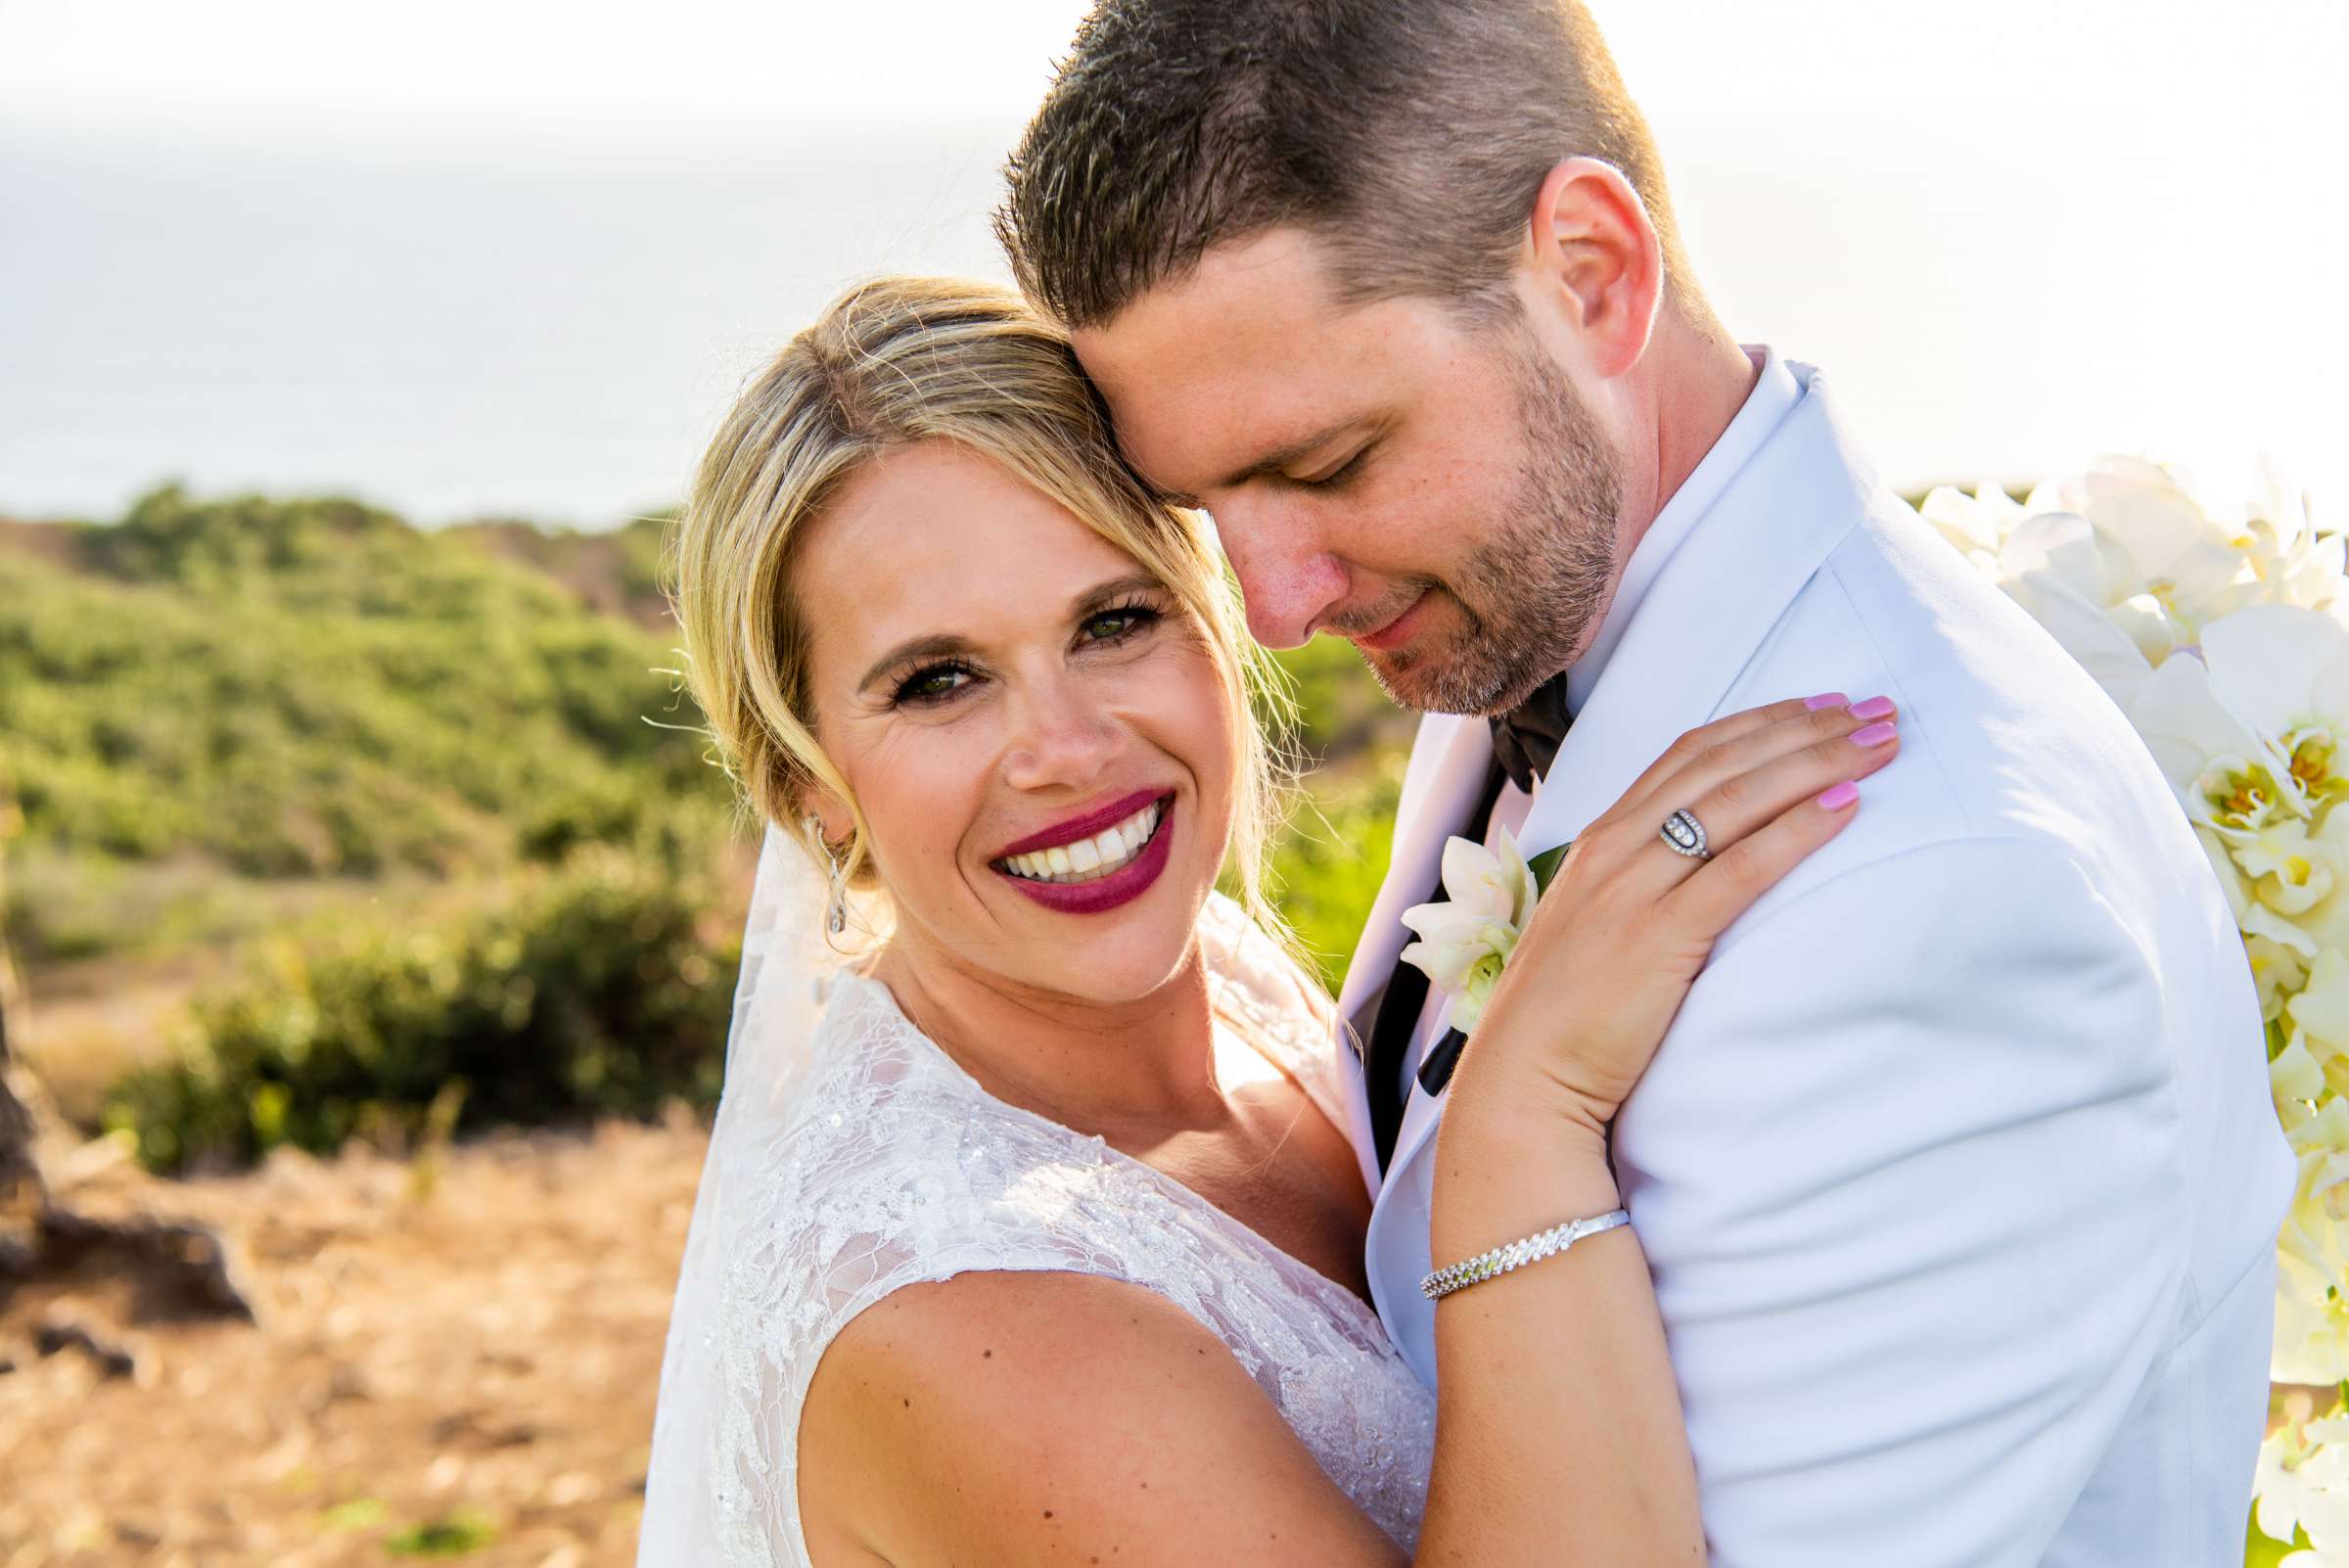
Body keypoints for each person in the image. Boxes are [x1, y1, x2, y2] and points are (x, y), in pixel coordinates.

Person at [992, 3, 2295, 1564]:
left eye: (1330, 463)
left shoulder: (1931, 897)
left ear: (1593, 274)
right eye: (1206, 501)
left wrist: (1517, 1138)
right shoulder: (1533, 621)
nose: (1274, 603)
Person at [632, 276, 1897, 1566]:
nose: (1065, 752)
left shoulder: (1229, 980)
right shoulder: (973, 1317)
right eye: (938, 681)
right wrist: (1526, 1116)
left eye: (1113, 620)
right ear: (806, 778)